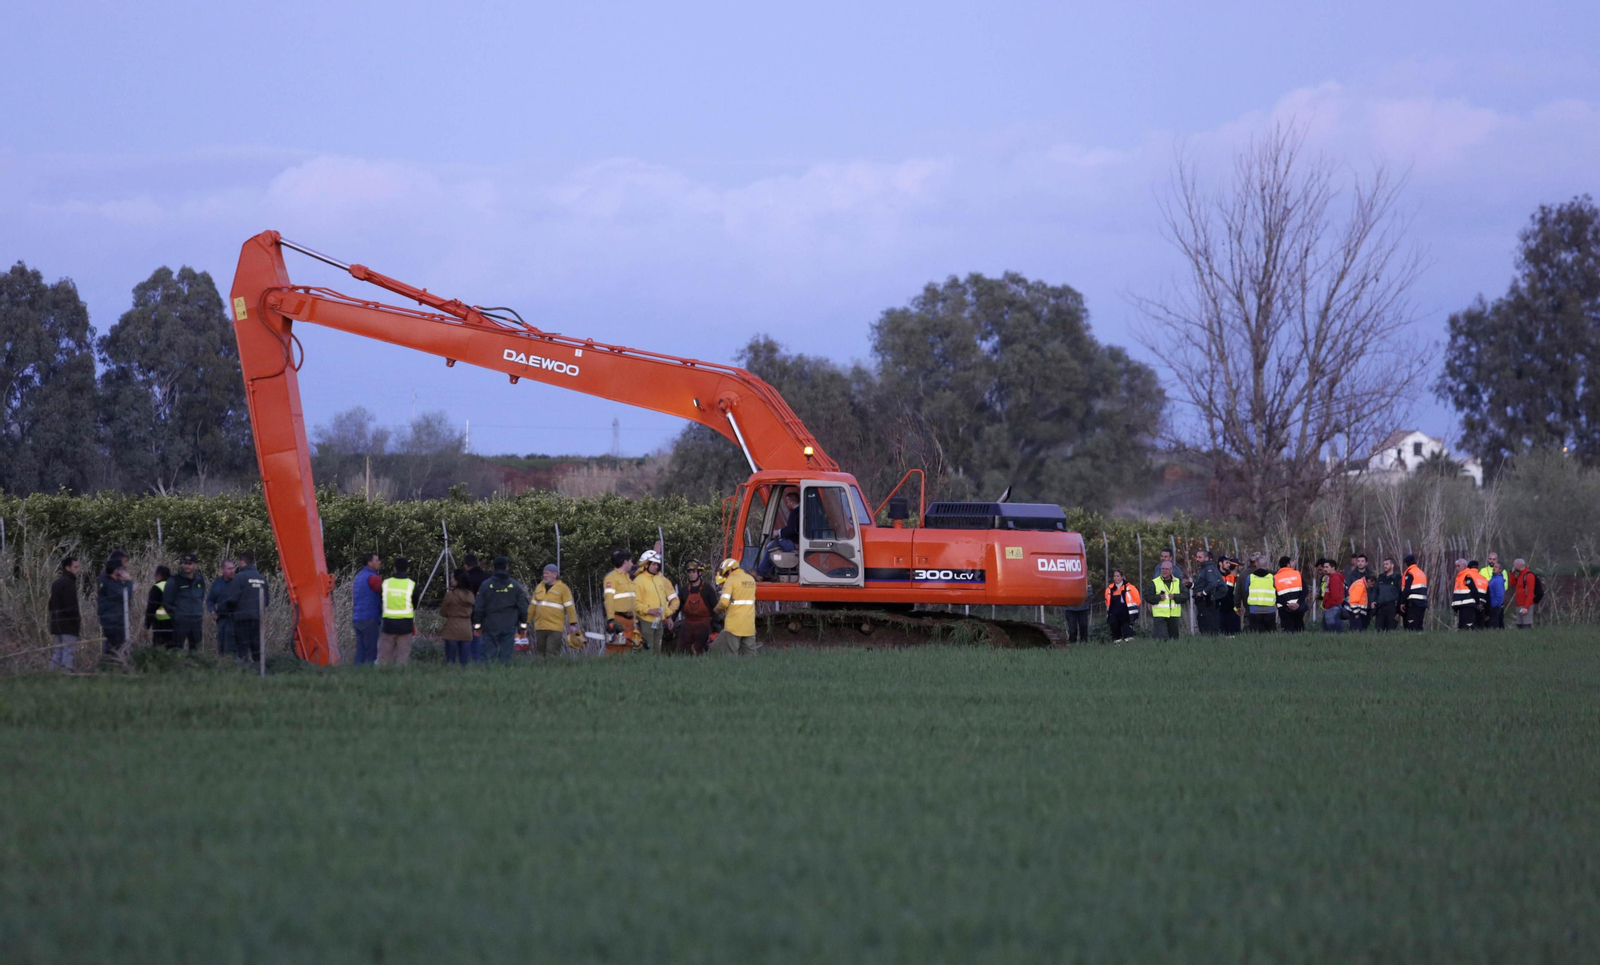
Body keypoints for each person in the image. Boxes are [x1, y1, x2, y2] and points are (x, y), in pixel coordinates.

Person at [473, 556, 529, 663]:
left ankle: (487, 677)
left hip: (489, 625)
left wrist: (477, 626)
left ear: (494, 568)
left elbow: (478, 608)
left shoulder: (485, 585)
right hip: (509, 625)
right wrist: (523, 626)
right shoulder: (514, 586)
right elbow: (523, 608)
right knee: (506, 657)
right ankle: (505, 676)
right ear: (507, 567)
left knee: (488, 656)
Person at [225, 551, 270, 663]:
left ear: (241, 562)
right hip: (258, 617)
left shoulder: (239, 577)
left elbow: (231, 599)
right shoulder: (262, 578)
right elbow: (266, 601)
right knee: (256, 647)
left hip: (242, 618)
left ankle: (243, 671)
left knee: (242, 647)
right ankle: (259, 670)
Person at [712, 557, 761, 655]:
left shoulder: (731, 580)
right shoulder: (751, 579)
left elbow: (723, 603)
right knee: (750, 658)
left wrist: (716, 610)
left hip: (734, 626)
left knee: (732, 656)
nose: (726, 576)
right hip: (749, 625)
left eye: (726, 573)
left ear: (730, 570)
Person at [634, 550, 680, 653]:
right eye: (654, 564)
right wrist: (649, 611)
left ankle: (655, 668)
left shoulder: (658, 580)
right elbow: (635, 604)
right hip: (646, 623)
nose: (656, 567)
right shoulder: (638, 581)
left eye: (657, 564)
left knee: (657, 651)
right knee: (647, 652)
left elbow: (663, 601)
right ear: (646, 565)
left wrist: (668, 617)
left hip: (659, 622)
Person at [529, 563, 579, 658]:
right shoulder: (539, 587)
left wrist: (573, 624)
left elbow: (570, 607)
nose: (544, 575)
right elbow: (532, 607)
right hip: (540, 627)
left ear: (555, 575)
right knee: (540, 654)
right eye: (543, 573)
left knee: (551, 653)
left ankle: (552, 671)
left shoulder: (563, 588)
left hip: (555, 628)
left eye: (547, 573)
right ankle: (540, 672)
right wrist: (526, 621)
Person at [163, 553, 209, 651]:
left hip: (196, 620)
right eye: (185, 563)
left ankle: (193, 666)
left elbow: (201, 597)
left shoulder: (200, 579)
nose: (187, 566)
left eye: (190, 563)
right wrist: (176, 616)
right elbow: (166, 602)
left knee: (196, 650)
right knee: (176, 649)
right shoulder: (174, 580)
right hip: (180, 621)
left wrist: (199, 612)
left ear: (195, 565)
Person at [674, 560, 721, 655]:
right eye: (689, 572)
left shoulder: (708, 589)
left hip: (703, 626)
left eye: (693, 572)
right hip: (687, 625)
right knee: (681, 653)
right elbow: (677, 607)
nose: (691, 574)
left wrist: (716, 629)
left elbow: (715, 610)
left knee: (701, 652)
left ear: (699, 573)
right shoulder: (684, 589)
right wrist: (671, 619)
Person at [601, 549, 639, 654]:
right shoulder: (611, 578)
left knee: (628, 648)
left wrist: (634, 621)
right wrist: (611, 620)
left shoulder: (628, 578)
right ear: (625, 562)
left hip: (629, 620)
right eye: (630, 561)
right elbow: (608, 600)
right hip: (618, 619)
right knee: (614, 648)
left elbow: (632, 601)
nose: (632, 564)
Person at [96, 556, 134, 658]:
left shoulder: (112, 582)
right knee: (115, 649)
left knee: (114, 648)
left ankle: (112, 667)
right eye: (121, 569)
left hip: (115, 620)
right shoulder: (110, 584)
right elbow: (125, 595)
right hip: (113, 622)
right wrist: (129, 581)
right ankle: (111, 667)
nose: (124, 571)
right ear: (116, 570)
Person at [757, 490, 802, 579]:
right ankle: (770, 572)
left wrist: (778, 532)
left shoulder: (795, 512)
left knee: (772, 546)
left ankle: (761, 573)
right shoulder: (800, 511)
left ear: (792, 502)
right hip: (797, 541)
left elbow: (791, 530)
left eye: (787, 502)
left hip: (794, 542)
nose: (786, 504)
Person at [47, 556, 82, 672]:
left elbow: (51, 604)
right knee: (68, 652)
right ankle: (65, 677)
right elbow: (71, 606)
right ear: (68, 568)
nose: (78, 569)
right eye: (75, 567)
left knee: (58, 652)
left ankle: (49, 677)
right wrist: (76, 621)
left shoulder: (57, 583)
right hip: (68, 625)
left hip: (56, 624)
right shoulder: (69, 584)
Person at [351, 552, 383, 665]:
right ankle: (368, 676)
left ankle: (357, 675)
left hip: (357, 618)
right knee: (371, 652)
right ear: (369, 563)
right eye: (377, 560)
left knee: (360, 651)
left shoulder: (359, 576)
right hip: (370, 617)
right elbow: (383, 594)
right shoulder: (373, 578)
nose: (379, 562)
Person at [439, 569, 476, 666]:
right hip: (467, 628)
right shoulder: (470, 595)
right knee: (464, 660)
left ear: (457, 580)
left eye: (452, 578)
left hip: (452, 627)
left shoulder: (450, 595)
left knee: (450, 659)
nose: (451, 580)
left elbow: (442, 612)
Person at [1148, 560, 1185, 640]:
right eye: (1162, 569)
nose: (1164, 571)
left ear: (1171, 570)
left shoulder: (1178, 582)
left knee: (1174, 639)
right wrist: (1158, 598)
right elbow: (1148, 596)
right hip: (1160, 615)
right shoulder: (1155, 582)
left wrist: (1176, 597)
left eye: (1167, 569)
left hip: (1174, 615)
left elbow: (1185, 596)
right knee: (1162, 638)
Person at [462, 553, 489, 661]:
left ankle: (475, 665)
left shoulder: (466, 580)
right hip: (489, 616)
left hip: (471, 617)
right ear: (478, 564)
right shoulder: (489, 577)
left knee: (474, 647)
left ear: (466, 566)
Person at [207, 559, 236, 656]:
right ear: (223, 570)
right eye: (229, 569)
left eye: (233, 568)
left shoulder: (238, 582)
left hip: (234, 620)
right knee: (221, 647)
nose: (232, 571)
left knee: (232, 649)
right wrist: (212, 611)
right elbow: (210, 600)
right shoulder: (217, 583)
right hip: (221, 620)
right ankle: (222, 668)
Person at [1190, 549, 1222, 635]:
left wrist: (1203, 593)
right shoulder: (1202, 570)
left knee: (1207, 625)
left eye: (1200, 557)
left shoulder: (1208, 569)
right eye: (1197, 557)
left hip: (1206, 602)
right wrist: (1190, 585)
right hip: (1203, 602)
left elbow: (1212, 584)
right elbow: (1199, 586)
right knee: (1203, 624)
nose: (1197, 559)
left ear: (1206, 558)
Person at [1105, 569, 1141, 642]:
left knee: (1128, 633)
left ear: (1122, 577)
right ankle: (1118, 647)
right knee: (1115, 633)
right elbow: (1107, 601)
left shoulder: (1130, 588)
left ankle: (1129, 648)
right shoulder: (1110, 589)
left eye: (1118, 576)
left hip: (1126, 614)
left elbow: (1137, 600)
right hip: (1114, 614)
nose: (1116, 578)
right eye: (1114, 576)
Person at [1244, 557, 1278, 633]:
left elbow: (1246, 590)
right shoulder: (1272, 578)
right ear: (1267, 566)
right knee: (1270, 634)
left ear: (1256, 564)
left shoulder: (1250, 577)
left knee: (1255, 634)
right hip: (1269, 610)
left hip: (1254, 610)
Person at [1450, 558, 1485, 630]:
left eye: (1458, 566)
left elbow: (1473, 589)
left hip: (1468, 605)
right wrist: (1455, 607)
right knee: (1462, 628)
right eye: (1456, 566)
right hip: (1462, 605)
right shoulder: (1460, 576)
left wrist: (1477, 602)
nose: (1456, 568)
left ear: (1464, 566)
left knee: (1467, 626)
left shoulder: (1467, 575)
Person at [145, 565, 174, 648]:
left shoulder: (157, 587)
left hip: (161, 624)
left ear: (158, 575)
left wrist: (147, 626)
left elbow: (151, 608)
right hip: (176, 623)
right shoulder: (175, 587)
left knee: (159, 648)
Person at [1274, 556, 1305, 632]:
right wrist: (1298, 603)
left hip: (1283, 608)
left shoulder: (1275, 577)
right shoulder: (1297, 574)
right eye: (1291, 562)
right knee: (1299, 630)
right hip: (1298, 607)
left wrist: (1287, 604)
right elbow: (1305, 590)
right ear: (1288, 565)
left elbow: (1275, 595)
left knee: (1287, 630)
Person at [1401, 555, 1429, 631]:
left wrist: (1402, 602)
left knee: (1411, 624)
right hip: (1422, 602)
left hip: (1413, 602)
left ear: (1406, 564)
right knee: (1419, 624)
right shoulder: (1421, 573)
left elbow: (1407, 589)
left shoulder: (1410, 573)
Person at [1317, 559, 1345, 632]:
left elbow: (1335, 596)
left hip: (1333, 608)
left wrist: (1327, 605)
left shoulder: (1334, 579)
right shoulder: (1330, 578)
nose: (1324, 569)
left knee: (1332, 630)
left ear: (1333, 567)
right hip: (1332, 607)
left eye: (1327, 567)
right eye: (1324, 567)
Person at [1374, 557, 1402, 632]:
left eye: (1387, 564)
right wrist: (1374, 601)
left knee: (1391, 631)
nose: (1385, 566)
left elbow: (1401, 594)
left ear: (1392, 565)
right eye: (1384, 564)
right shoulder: (1380, 577)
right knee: (1379, 630)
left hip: (1392, 608)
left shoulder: (1397, 578)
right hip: (1381, 608)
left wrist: (1398, 612)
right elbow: (1376, 591)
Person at [1510, 558, 1538, 630]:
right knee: (1519, 626)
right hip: (1519, 604)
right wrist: (1512, 573)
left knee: (1526, 626)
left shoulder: (1529, 576)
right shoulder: (1520, 575)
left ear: (1518, 566)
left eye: (1514, 565)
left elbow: (1531, 593)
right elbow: (1512, 583)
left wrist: (1526, 607)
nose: (1513, 567)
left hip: (1526, 605)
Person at [1063, 576, 1091, 643]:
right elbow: (1063, 591)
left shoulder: (1085, 579)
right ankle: (1072, 646)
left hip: (1083, 608)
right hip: (1070, 609)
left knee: (1083, 628)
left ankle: (1084, 645)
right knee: (1072, 630)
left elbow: (1090, 592)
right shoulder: (1066, 579)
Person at [1216, 557, 1241, 635]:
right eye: (1226, 563)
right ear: (1220, 563)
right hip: (1219, 608)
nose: (1228, 565)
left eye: (1229, 563)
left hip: (1231, 608)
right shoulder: (1216, 576)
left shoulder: (1231, 576)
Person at [1485, 560, 1507, 629]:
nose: (1494, 568)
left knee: (1494, 627)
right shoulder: (1493, 579)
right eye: (1494, 567)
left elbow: (1499, 594)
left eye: (1496, 567)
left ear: (1500, 570)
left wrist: (1495, 606)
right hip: (1492, 606)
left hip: (1495, 607)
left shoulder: (1498, 580)